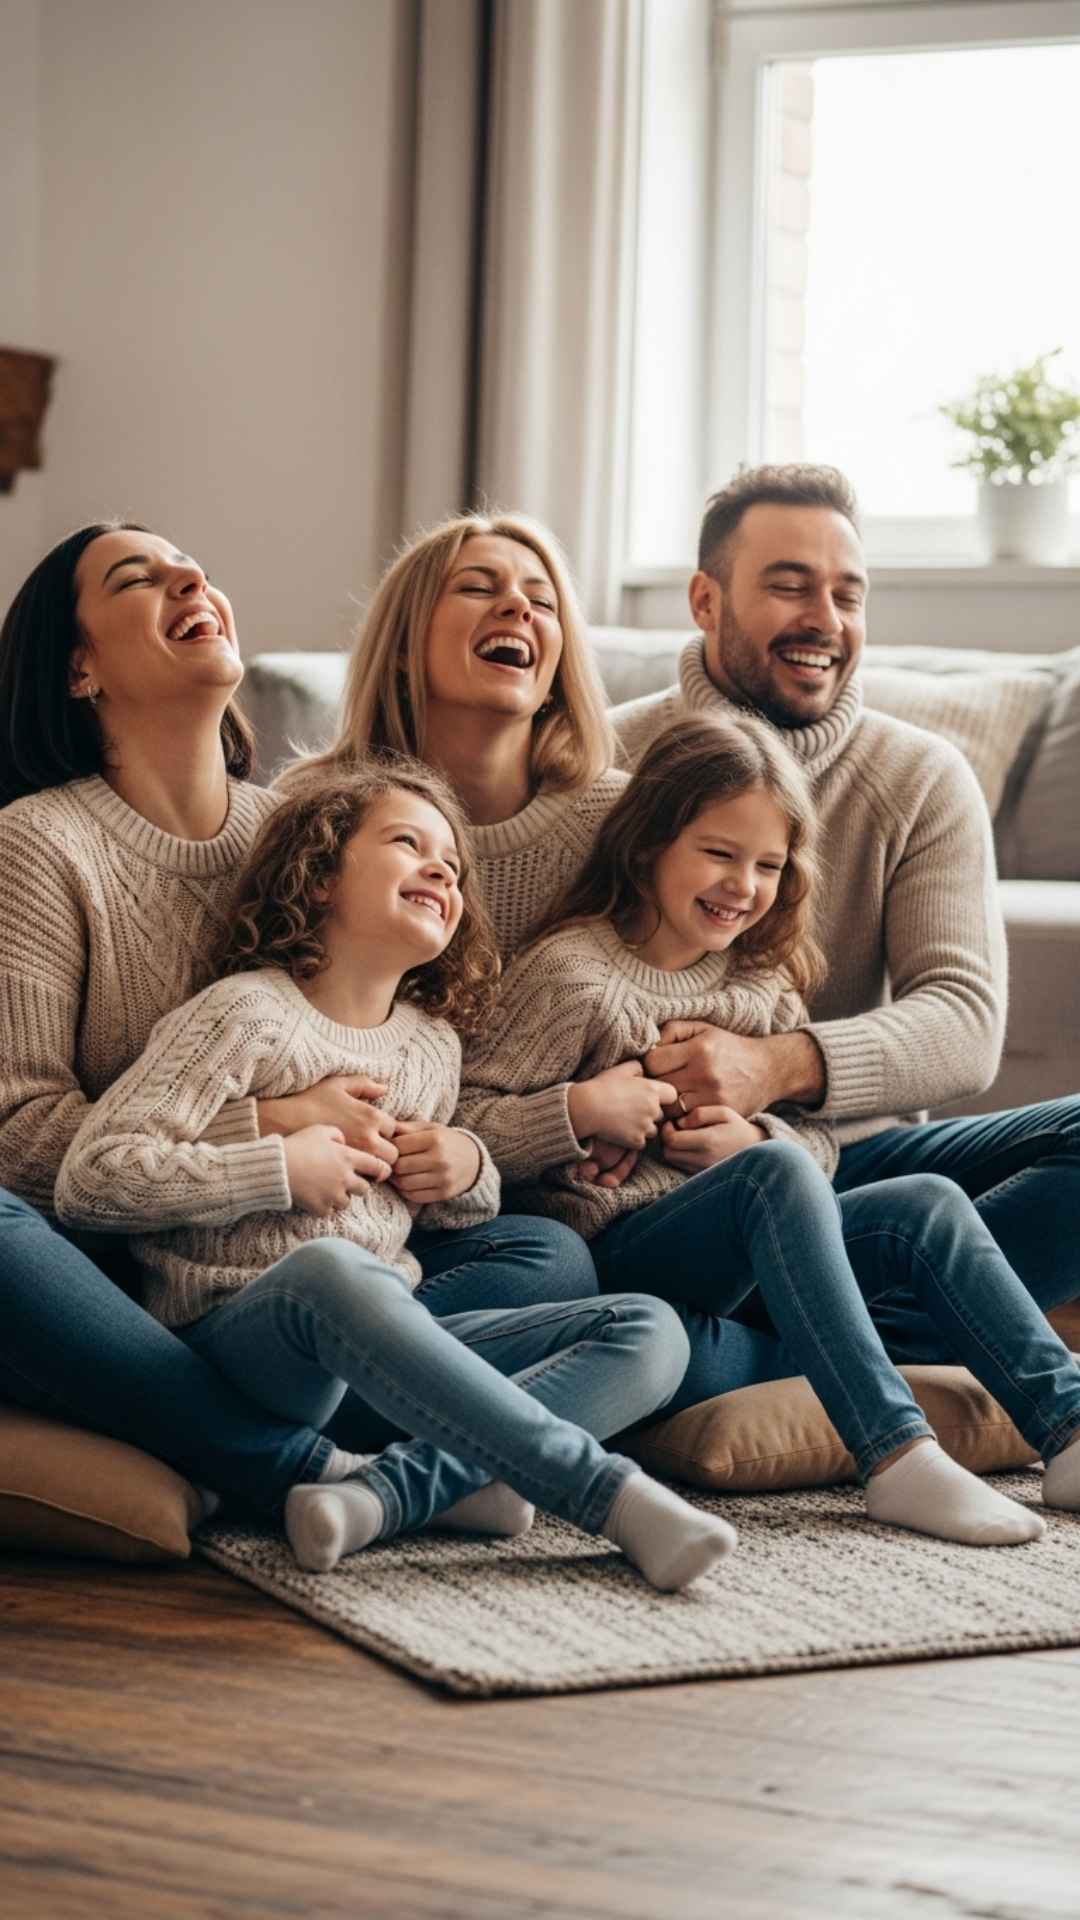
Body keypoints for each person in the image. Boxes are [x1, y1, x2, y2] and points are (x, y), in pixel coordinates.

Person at [0, 522, 598, 1515]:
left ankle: (323, 1408)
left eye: (197, 563)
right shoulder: (38, 844)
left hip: (315, 1256)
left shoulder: (290, 827)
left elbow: (383, 1032)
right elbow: (16, 1132)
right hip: (119, 1257)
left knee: (549, 1253)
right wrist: (267, 1129)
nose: (194, 576)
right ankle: (291, 1462)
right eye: (140, 578)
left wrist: (430, 1152)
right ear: (78, 668)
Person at [55, 756, 730, 1590]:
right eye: (408, 843)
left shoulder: (431, 1045)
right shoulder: (242, 1015)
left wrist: (467, 1167)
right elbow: (92, 1177)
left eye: (451, 861)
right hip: (245, 1342)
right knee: (332, 1268)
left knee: (650, 1331)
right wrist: (276, 1168)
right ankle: (606, 1494)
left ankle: (386, 1495)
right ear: (321, 876)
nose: (441, 867)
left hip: (381, 1345)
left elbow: (445, 1216)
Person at [459, 714, 1080, 1545]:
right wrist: (578, 1112)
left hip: (763, 1268)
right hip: (635, 1257)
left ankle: (1067, 1430)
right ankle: (895, 1453)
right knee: (777, 1178)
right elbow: (462, 1124)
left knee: (920, 1201)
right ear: (647, 847)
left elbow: (814, 1143)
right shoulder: (573, 977)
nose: (742, 885)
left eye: (768, 865)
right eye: (719, 853)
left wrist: (758, 1142)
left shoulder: (762, 980)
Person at [608, 465, 1080, 1356]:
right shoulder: (603, 755)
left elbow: (966, 1025)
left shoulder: (922, 776)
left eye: (847, 594)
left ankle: (775, 1351)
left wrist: (771, 1068)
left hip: (855, 1167)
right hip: (659, 1182)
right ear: (705, 601)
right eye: (789, 585)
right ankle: (869, 1345)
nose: (825, 619)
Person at [281, 509, 628, 957]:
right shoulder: (311, 809)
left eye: (542, 603)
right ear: (404, 646)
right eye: (477, 588)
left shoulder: (624, 823)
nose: (518, 606)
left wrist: (738, 1032)